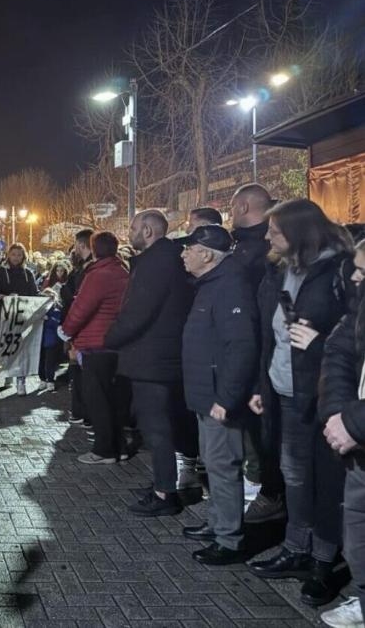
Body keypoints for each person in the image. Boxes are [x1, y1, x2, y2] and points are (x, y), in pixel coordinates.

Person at [247, 199, 355, 608]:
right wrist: (263, 384)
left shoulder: (341, 270)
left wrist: (321, 343)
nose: (267, 237)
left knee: (327, 483)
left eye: (275, 230)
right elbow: (272, 334)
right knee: (293, 474)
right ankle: (296, 548)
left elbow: (355, 340)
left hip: (326, 396)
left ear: (300, 231)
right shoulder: (283, 269)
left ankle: (325, 563)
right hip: (285, 390)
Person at [104, 210, 194, 516]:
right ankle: (163, 482)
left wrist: (109, 337)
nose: (128, 233)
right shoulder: (165, 259)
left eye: (132, 228)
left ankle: (164, 492)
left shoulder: (157, 263)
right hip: (159, 356)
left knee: (156, 427)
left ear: (147, 230)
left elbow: (138, 312)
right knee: (160, 425)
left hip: (152, 359)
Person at [177, 226, 258, 566]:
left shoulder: (229, 287)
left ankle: (229, 539)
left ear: (207, 255)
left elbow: (241, 346)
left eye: (189, 249)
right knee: (214, 463)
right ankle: (217, 524)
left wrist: (226, 397)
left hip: (217, 397)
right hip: (205, 393)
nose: (183, 255)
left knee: (224, 467)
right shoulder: (212, 284)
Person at [230, 183, 285, 523]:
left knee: (265, 436)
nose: (269, 237)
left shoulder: (261, 262)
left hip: (267, 365)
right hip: (260, 363)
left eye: (275, 231)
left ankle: (269, 492)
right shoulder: (253, 257)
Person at [318, 239, 365, 628]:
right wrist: (339, 416)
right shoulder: (357, 311)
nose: (354, 276)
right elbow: (339, 356)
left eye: (363, 271)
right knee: (357, 534)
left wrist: (355, 421)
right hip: (357, 444)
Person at [60, 232, 130, 464]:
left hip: (95, 345)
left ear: (94, 249)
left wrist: (66, 331)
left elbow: (82, 308)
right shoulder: (122, 271)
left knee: (97, 400)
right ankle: (118, 447)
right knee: (113, 401)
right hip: (116, 344)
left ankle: (103, 450)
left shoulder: (98, 275)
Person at [0, 243, 38, 396]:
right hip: (6, 316)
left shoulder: (28, 273)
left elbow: (34, 294)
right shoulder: (1, 272)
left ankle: (21, 380)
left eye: (19, 254)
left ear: (23, 256)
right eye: (14, 254)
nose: (16, 258)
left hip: (23, 317)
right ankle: (8, 373)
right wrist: (6, 298)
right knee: (8, 347)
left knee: (22, 348)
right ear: (8, 255)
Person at [61, 230, 93, 425]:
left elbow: (80, 304)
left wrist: (68, 331)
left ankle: (83, 412)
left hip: (83, 333)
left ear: (80, 245)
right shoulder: (84, 269)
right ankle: (81, 410)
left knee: (81, 373)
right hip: (84, 332)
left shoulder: (88, 271)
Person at [38, 288, 63, 394]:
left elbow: (57, 324)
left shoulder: (57, 310)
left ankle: (50, 380)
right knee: (40, 361)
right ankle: (43, 379)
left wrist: (48, 319)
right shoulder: (38, 311)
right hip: (40, 341)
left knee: (50, 362)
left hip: (51, 341)